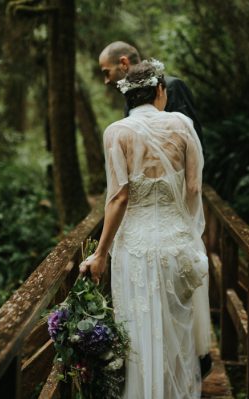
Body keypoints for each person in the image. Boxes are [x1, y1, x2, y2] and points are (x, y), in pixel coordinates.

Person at [80, 59, 211, 398]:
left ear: (129, 95)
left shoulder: (117, 132)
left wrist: (100, 253)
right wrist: (185, 225)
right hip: (176, 243)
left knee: (140, 333)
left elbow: (118, 197)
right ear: (160, 91)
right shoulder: (182, 125)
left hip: (135, 248)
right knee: (176, 333)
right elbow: (194, 188)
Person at [98, 41, 203, 145]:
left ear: (124, 63)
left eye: (107, 72)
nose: (106, 81)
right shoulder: (128, 104)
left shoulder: (171, 87)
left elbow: (194, 142)